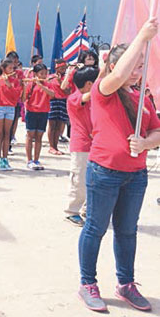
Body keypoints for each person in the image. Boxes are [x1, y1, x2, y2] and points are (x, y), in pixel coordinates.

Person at [77, 19, 160, 313]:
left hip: (136, 175)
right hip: (104, 172)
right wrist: (142, 35)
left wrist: (146, 142)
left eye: (141, 67)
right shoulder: (105, 89)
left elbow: (157, 132)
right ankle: (88, 283)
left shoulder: (144, 100)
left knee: (127, 231)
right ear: (114, 66)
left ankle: (126, 283)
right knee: (95, 228)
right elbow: (120, 73)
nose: (138, 71)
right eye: (133, 66)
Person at [64, 66, 99, 226]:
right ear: (89, 83)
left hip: (95, 145)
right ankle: (72, 211)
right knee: (79, 180)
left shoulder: (95, 99)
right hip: (81, 146)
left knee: (94, 180)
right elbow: (87, 95)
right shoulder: (74, 98)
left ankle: (87, 209)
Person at [0, 58, 21, 171]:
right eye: (10, 68)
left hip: (10, 108)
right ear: (3, 69)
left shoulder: (14, 81)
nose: (12, 70)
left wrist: (9, 85)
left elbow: (16, 96)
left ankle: (5, 158)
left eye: (13, 68)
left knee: (7, 134)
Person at [23, 64, 54, 170]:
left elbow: (52, 94)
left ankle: (36, 159)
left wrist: (41, 85)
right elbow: (24, 98)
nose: (44, 75)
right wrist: (26, 84)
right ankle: (29, 160)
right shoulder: (31, 85)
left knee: (39, 136)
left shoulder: (48, 84)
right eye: (42, 74)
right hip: (32, 111)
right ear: (35, 74)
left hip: (43, 112)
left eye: (45, 73)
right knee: (30, 135)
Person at [47, 59, 71, 155]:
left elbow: (67, 91)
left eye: (64, 68)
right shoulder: (50, 77)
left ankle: (55, 146)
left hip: (63, 101)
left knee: (59, 125)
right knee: (52, 125)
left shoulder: (67, 79)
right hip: (53, 101)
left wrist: (60, 81)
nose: (63, 70)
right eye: (61, 68)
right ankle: (51, 146)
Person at [7, 51, 25, 151]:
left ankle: (9, 143)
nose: (15, 65)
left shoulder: (19, 73)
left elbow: (22, 84)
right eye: (13, 62)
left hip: (16, 101)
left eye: (16, 62)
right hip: (5, 102)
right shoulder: (4, 72)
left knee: (13, 123)